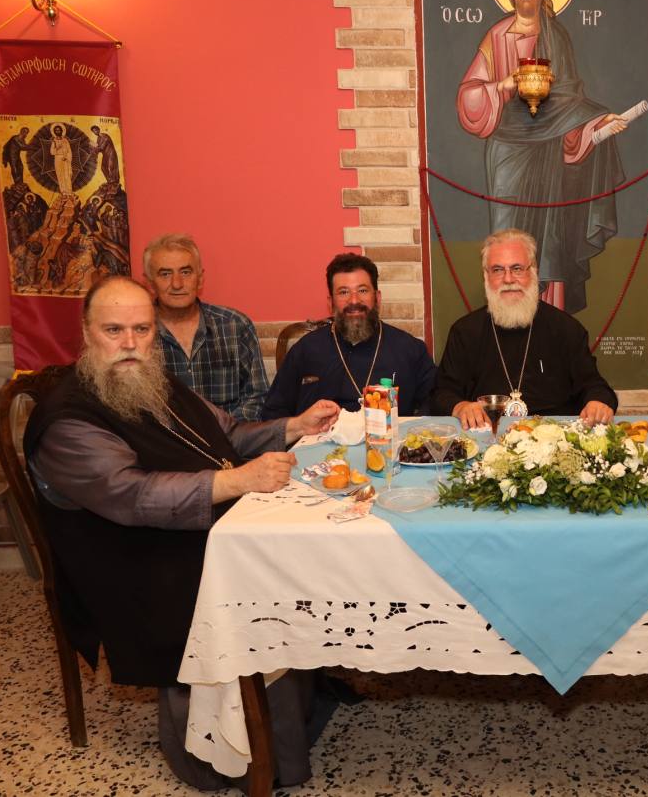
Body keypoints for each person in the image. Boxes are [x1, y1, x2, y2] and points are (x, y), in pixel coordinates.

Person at [24, 276, 343, 787]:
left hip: (192, 531)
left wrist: (293, 427)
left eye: (142, 329)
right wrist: (239, 480)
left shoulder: (154, 383)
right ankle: (232, 755)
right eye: (114, 330)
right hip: (134, 563)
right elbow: (132, 495)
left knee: (296, 545)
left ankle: (294, 710)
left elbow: (227, 434)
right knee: (260, 569)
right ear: (86, 333)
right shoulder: (68, 420)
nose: (130, 343)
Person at [457, 0, 629, 314]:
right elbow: (469, 97)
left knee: (549, 242)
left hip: (550, 154)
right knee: (507, 239)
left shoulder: (557, 36)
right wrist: (503, 86)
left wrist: (595, 125)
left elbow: (567, 99)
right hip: (508, 152)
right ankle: (506, 318)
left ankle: (549, 320)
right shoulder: (497, 35)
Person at [433, 228, 617, 425]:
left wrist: (598, 402)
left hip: (553, 437)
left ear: (534, 271)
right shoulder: (465, 332)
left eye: (517, 269)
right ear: (486, 276)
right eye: (498, 270)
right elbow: (441, 393)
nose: (508, 279)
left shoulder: (566, 329)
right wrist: (460, 406)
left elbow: (595, 386)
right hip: (487, 434)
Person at [262, 252, 437, 418]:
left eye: (362, 290)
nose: (354, 300)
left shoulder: (410, 350)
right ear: (331, 302)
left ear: (377, 298)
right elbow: (273, 413)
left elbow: (433, 407)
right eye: (343, 292)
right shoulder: (305, 350)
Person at [143, 233, 269, 421]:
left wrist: (225, 433)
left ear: (200, 279)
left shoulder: (235, 326)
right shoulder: (136, 335)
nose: (177, 284)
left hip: (231, 436)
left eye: (186, 272)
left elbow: (257, 397)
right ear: (150, 283)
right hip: (165, 439)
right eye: (165, 274)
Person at [50, 123, 74, 195]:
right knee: (60, 175)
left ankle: (69, 191)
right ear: (54, 132)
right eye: (56, 130)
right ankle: (63, 191)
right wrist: (57, 148)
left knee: (67, 175)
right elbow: (52, 152)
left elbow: (69, 151)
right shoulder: (54, 141)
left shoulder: (65, 140)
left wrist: (66, 157)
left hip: (65, 159)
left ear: (61, 131)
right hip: (58, 159)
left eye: (59, 130)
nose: (58, 131)